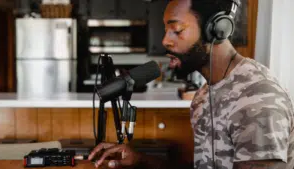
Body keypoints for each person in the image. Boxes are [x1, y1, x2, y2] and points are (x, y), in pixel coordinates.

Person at [88, 0, 294, 168]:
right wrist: (141, 161)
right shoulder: (204, 95)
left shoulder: (257, 99)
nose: (165, 41)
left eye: (176, 30)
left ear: (216, 30)